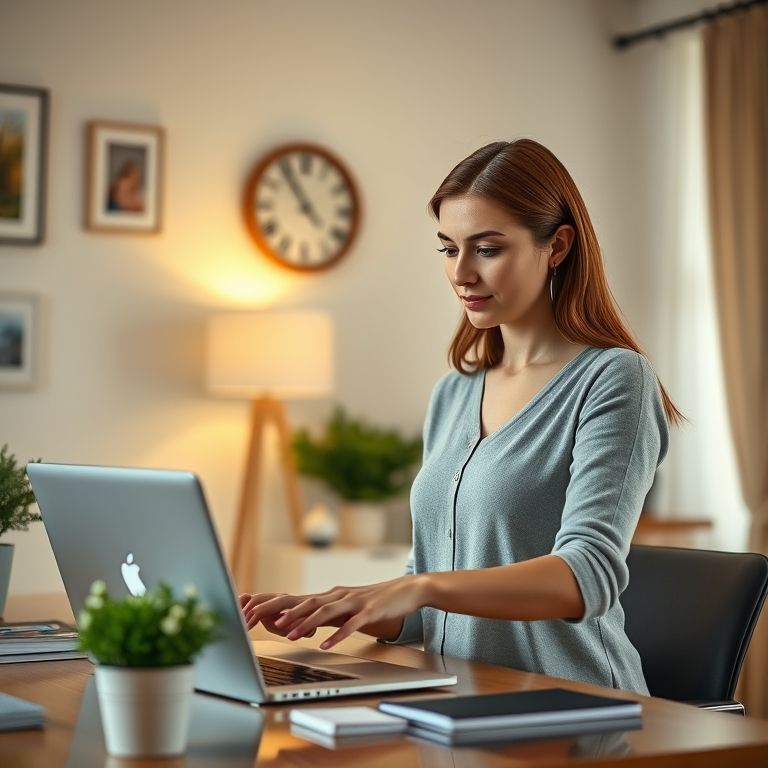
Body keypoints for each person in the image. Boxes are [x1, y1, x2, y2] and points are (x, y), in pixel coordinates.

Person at [240, 139, 680, 694]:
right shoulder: (453, 393)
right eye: (449, 249)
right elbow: (428, 608)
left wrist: (423, 587)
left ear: (558, 246)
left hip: (578, 705)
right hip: (459, 701)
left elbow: (585, 574)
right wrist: (348, 604)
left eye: (487, 249)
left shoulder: (614, 378)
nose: (462, 273)